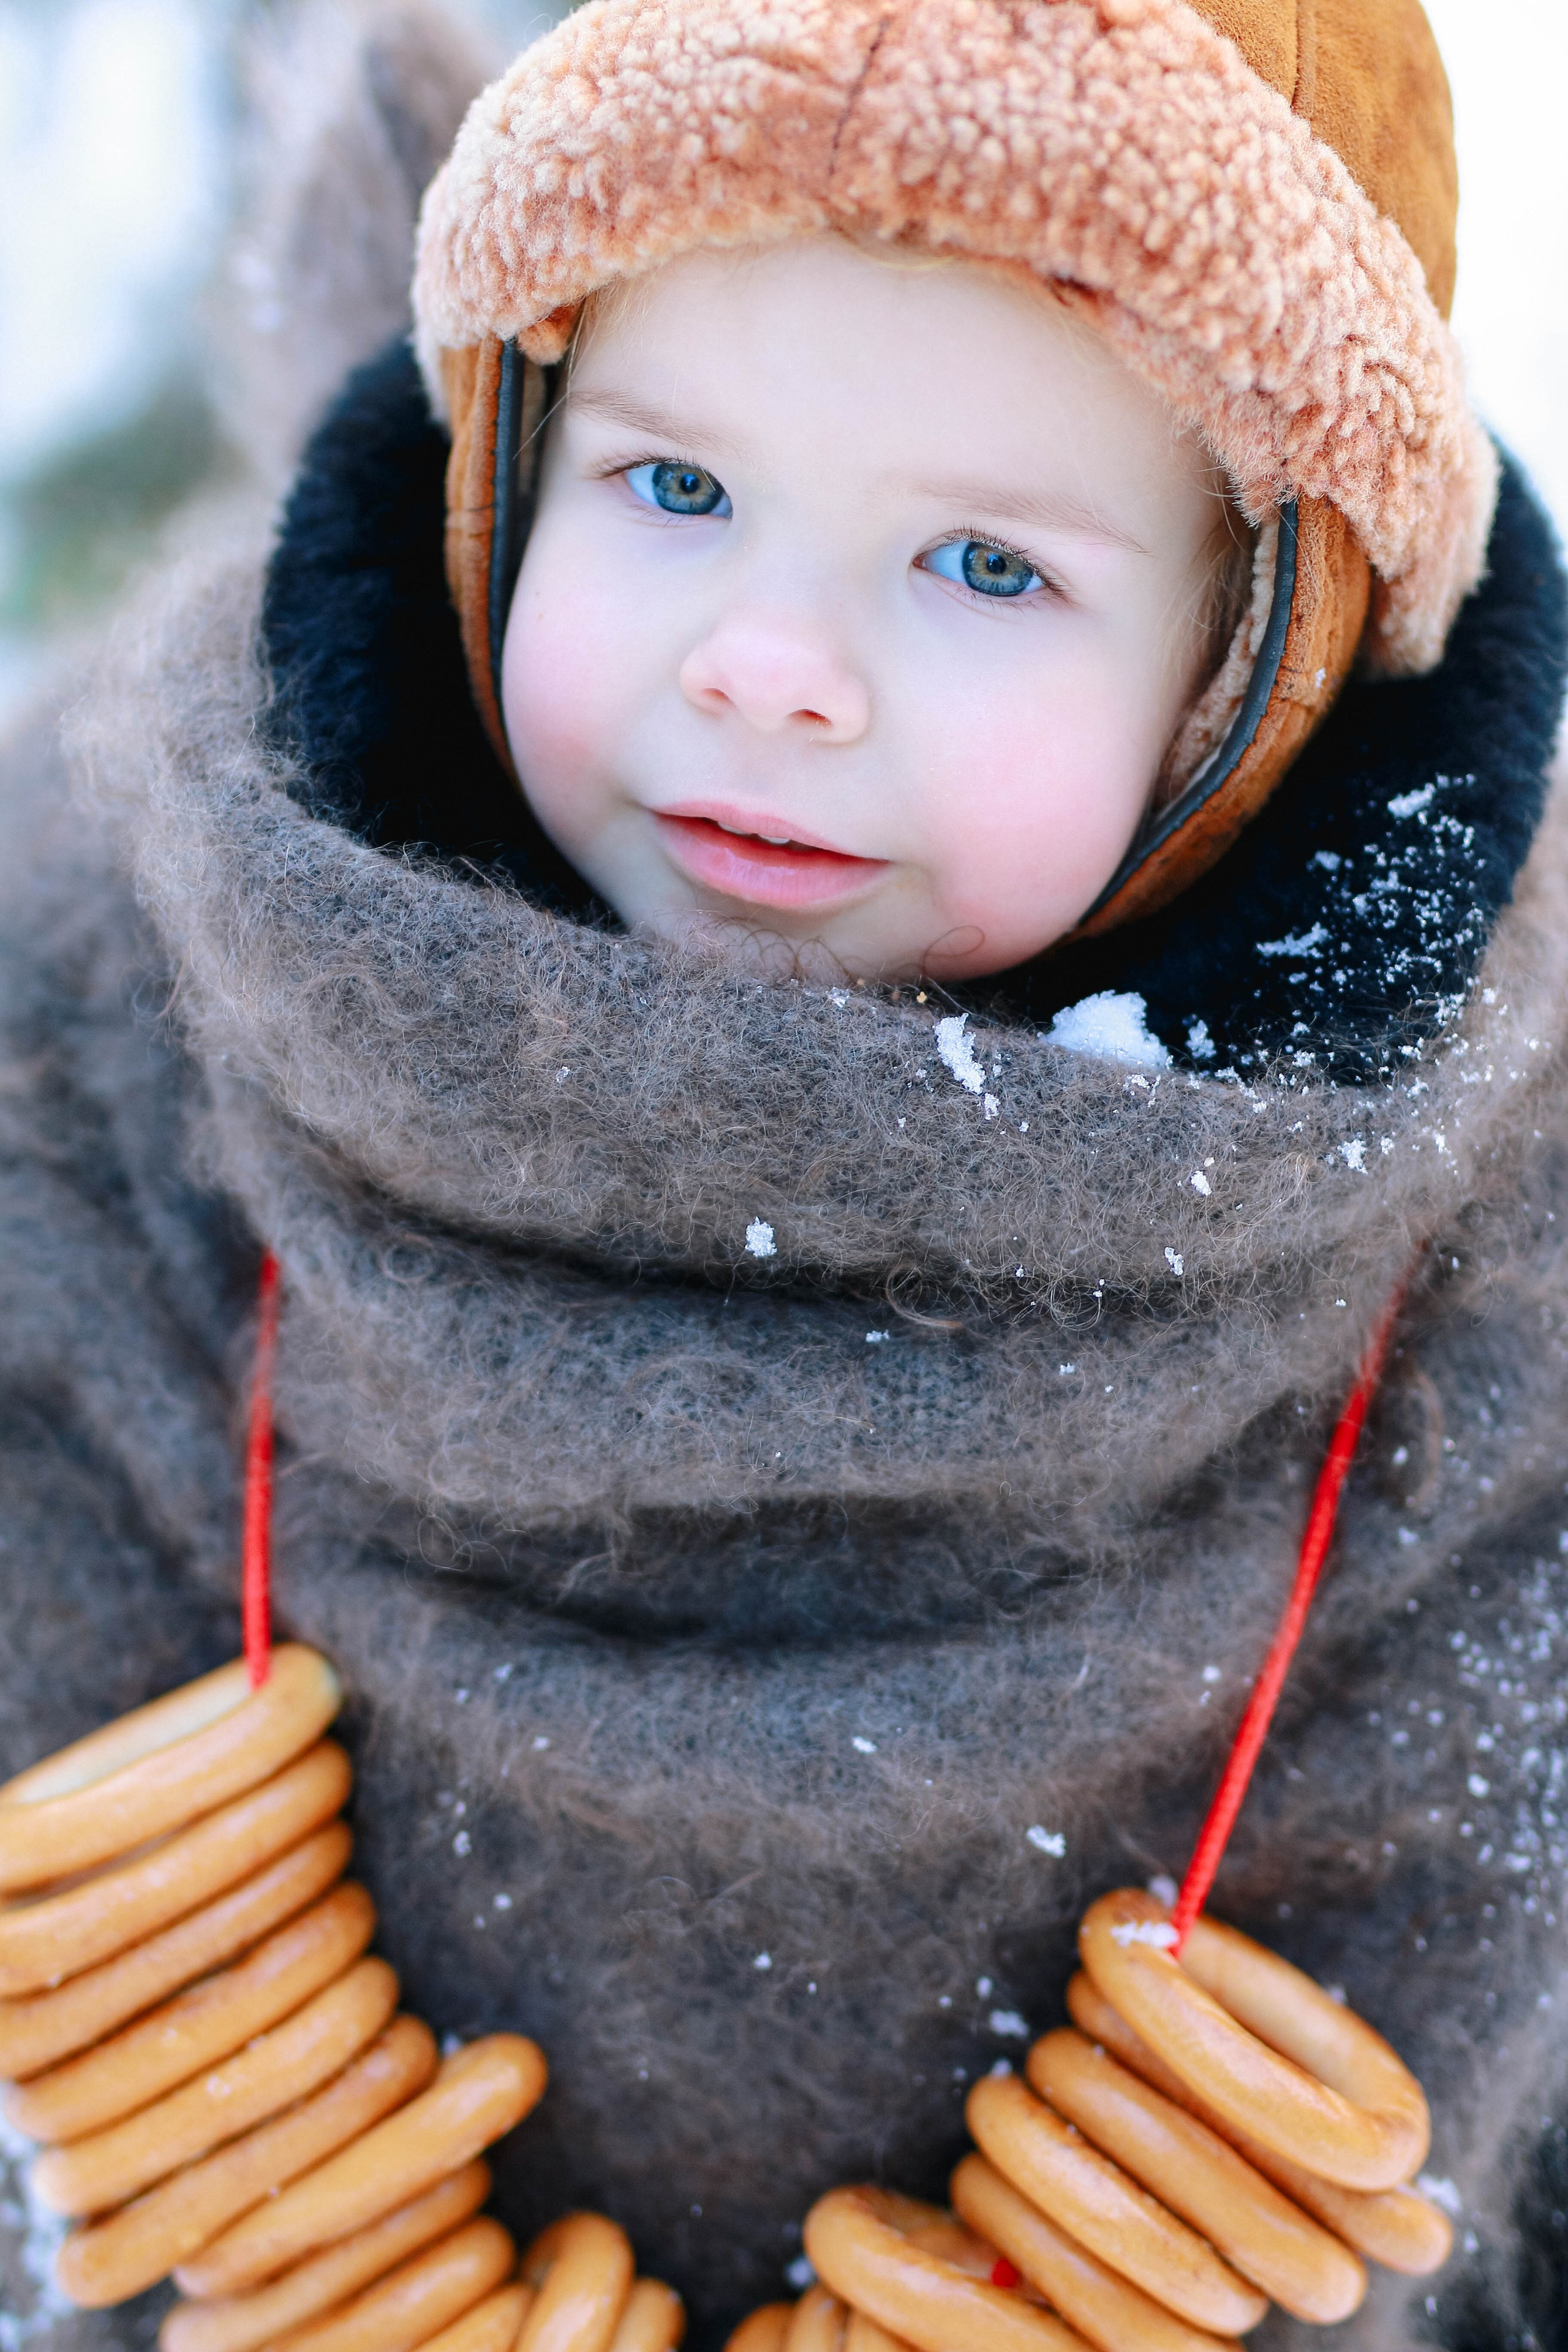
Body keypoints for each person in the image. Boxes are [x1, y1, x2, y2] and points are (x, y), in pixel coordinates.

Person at [0, 1, 1565, 2344]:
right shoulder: (106, 1012)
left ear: (1259, 676)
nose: (772, 666)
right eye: (675, 488)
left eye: (986, 566)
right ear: (506, 466)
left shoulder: (1487, 1311)